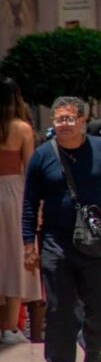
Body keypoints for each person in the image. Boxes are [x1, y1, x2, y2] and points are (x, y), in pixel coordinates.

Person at [23, 96, 101, 362]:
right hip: (56, 241)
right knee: (59, 307)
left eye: (69, 119)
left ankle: (93, 345)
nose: (64, 124)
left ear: (83, 120)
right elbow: (30, 203)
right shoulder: (43, 156)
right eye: (59, 119)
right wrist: (28, 243)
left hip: (93, 241)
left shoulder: (100, 152)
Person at [1, 77, 38, 345]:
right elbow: (31, 169)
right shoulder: (22, 128)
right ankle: (11, 326)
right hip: (13, 192)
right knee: (14, 256)